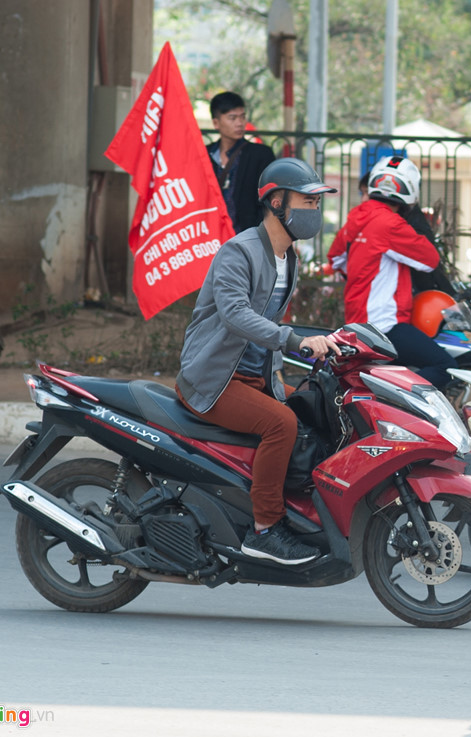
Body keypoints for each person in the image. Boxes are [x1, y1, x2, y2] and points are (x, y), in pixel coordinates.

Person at [176, 158, 341, 566]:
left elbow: (270, 323)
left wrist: (320, 344)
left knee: (309, 409)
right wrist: (294, 340)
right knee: (280, 424)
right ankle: (265, 530)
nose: (314, 212)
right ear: (276, 202)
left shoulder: (288, 258)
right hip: (214, 379)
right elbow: (236, 315)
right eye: (307, 201)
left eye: (317, 204)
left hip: (251, 375)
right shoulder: (240, 251)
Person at [339, 154, 458, 388]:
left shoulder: (356, 219)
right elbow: (431, 260)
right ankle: (389, 394)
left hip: (357, 323)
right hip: (385, 326)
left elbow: (336, 258)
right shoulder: (392, 224)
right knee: (446, 367)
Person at [206, 91, 276, 233]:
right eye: (232, 118)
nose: (239, 123)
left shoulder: (261, 155)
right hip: (210, 238)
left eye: (242, 117)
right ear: (216, 123)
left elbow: (271, 201)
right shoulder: (204, 155)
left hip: (247, 238)